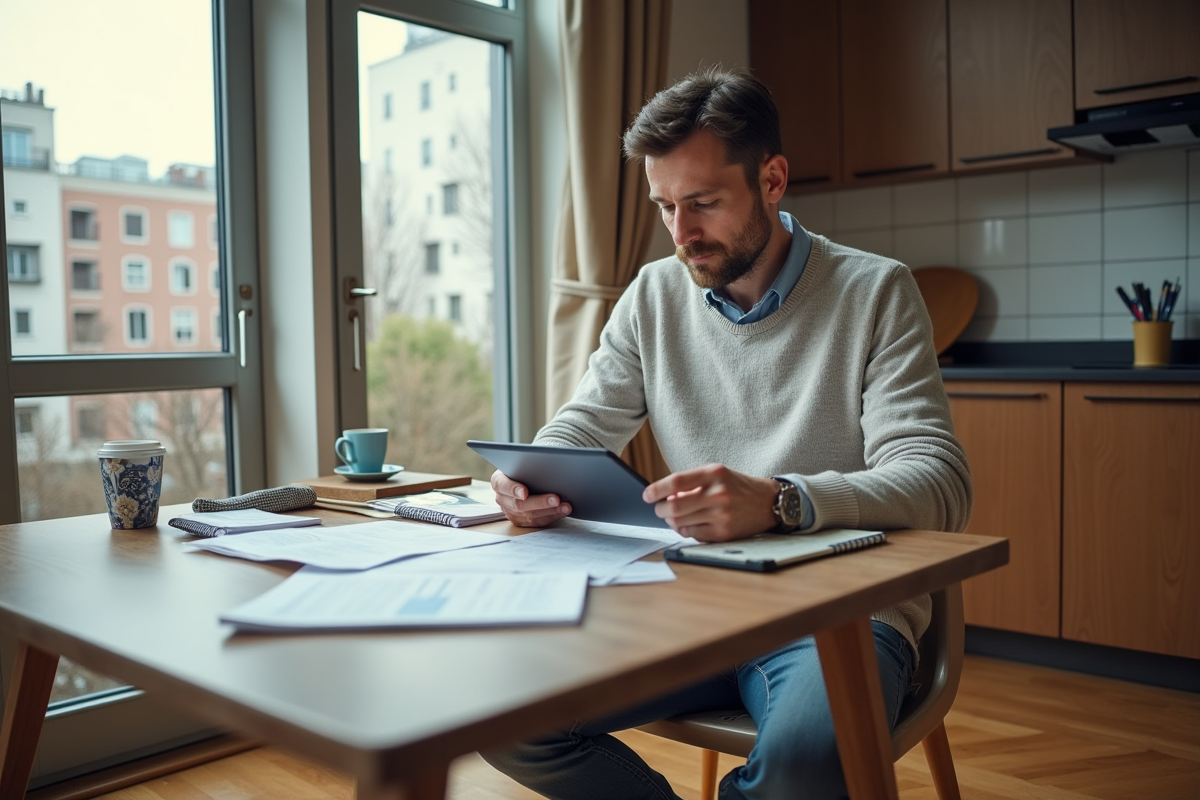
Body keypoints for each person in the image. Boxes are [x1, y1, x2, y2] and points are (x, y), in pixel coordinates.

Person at [481, 66, 972, 800]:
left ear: (772, 181)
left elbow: (940, 482)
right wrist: (531, 473)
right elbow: (586, 422)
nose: (682, 235)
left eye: (703, 203)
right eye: (665, 207)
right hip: (692, 598)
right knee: (497, 713)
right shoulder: (653, 294)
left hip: (838, 613)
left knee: (805, 762)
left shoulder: (876, 291)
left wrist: (780, 500)